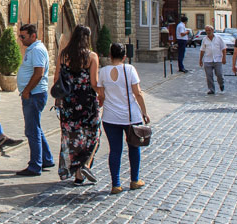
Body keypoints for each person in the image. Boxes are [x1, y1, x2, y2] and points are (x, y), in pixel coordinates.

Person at [96, 43, 150, 194]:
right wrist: (145, 112)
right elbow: (137, 93)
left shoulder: (103, 72)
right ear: (125, 56)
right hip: (130, 116)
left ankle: (116, 184)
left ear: (110, 55)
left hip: (110, 117)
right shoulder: (130, 69)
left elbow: (101, 95)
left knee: (115, 150)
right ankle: (134, 180)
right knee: (134, 147)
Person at [53, 25, 100, 184]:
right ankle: (83, 167)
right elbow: (94, 82)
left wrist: (58, 99)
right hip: (86, 103)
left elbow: (56, 79)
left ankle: (74, 172)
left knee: (71, 137)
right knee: (92, 135)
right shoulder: (91, 57)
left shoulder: (64, 55)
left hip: (68, 103)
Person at [16, 23, 53, 176]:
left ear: (33, 36)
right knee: (35, 127)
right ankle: (46, 158)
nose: (21, 39)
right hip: (33, 94)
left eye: (23, 36)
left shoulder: (37, 50)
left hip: (34, 95)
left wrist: (27, 90)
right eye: (20, 36)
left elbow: (39, 73)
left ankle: (35, 165)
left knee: (31, 130)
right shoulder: (32, 49)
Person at [198, 25, 226, 94]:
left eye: (209, 30)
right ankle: (211, 89)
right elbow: (202, 50)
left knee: (219, 74)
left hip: (218, 59)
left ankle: (221, 84)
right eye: (206, 30)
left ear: (212, 30)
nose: (208, 32)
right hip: (208, 60)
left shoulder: (218, 38)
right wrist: (200, 60)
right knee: (209, 76)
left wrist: (224, 58)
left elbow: (223, 48)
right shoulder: (204, 39)